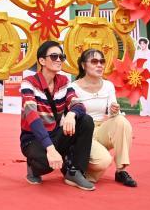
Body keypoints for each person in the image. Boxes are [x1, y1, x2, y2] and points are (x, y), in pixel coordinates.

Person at [20, 40, 95, 191]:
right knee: (46, 164)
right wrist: (51, 149)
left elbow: (78, 104)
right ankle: (33, 167)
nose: (59, 60)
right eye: (54, 56)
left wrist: (71, 114)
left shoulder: (63, 81)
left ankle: (75, 171)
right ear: (42, 61)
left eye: (62, 56)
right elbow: (32, 116)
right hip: (33, 138)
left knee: (85, 120)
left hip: (55, 134)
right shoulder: (29, 83)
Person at [72, 48, 137, 187]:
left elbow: (112, 112)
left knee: (121, 121)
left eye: (102, 61)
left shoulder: (108, 85)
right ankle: (76, 168)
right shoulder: (73, 87)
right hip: (83, 132)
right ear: (83, 65)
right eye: (94, 61)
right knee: (104, 161)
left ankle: (121, 170)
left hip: (101, 128)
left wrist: (114, 110)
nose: (99, 65)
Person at [135, 37, 150, 117]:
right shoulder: (137, 53)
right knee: (142, 92)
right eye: (141, 44)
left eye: (144, 43)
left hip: (148, 73)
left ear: (146, 44)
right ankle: (144, 110)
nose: (142, 45)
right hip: (140, 74)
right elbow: (135, 62)